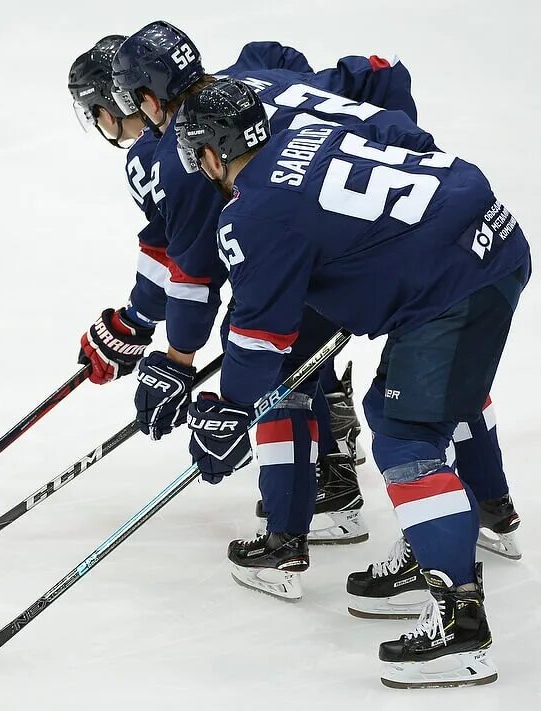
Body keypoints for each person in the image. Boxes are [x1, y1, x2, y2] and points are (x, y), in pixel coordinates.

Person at [175, 77, 531, 688]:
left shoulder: (253, 214)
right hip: (488, 233)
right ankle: (439, 545)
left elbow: (260, 338)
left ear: (211, 154)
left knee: (406, 436)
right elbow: (402, 133)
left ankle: (460, 627)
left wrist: (230, 410)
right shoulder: (307, 131)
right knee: (399, 407)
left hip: (454, 284)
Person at [88, 20, 424, 546]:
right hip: (403, 211)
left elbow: (195, 268)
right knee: (292, 331)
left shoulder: (183, 153)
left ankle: (314, 503)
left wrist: (177, 358)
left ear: (147, 98)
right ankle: (342, 453)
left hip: (337, 240)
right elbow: (372, 74)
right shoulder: (248, 81)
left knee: (265, 349)